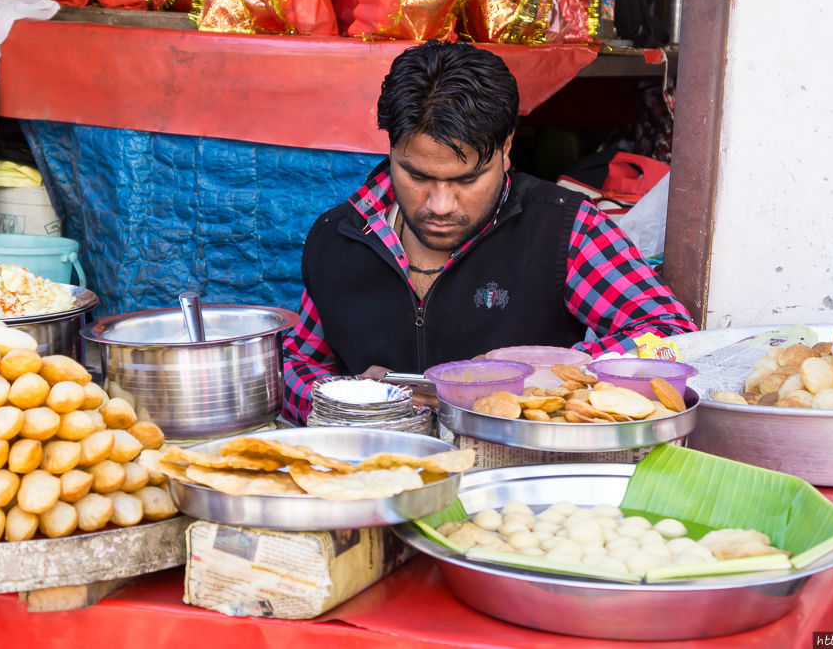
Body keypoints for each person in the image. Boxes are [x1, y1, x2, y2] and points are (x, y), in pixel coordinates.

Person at [282, 40, 698, 424]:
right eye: (417, 175)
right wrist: (350, 399)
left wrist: (530, 375)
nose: (440, 205)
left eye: (467, 180)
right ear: (391, 148)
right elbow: (297, 363)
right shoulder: (340, 237)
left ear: (506, 148)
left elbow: (670, 333)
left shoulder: (563, 230)